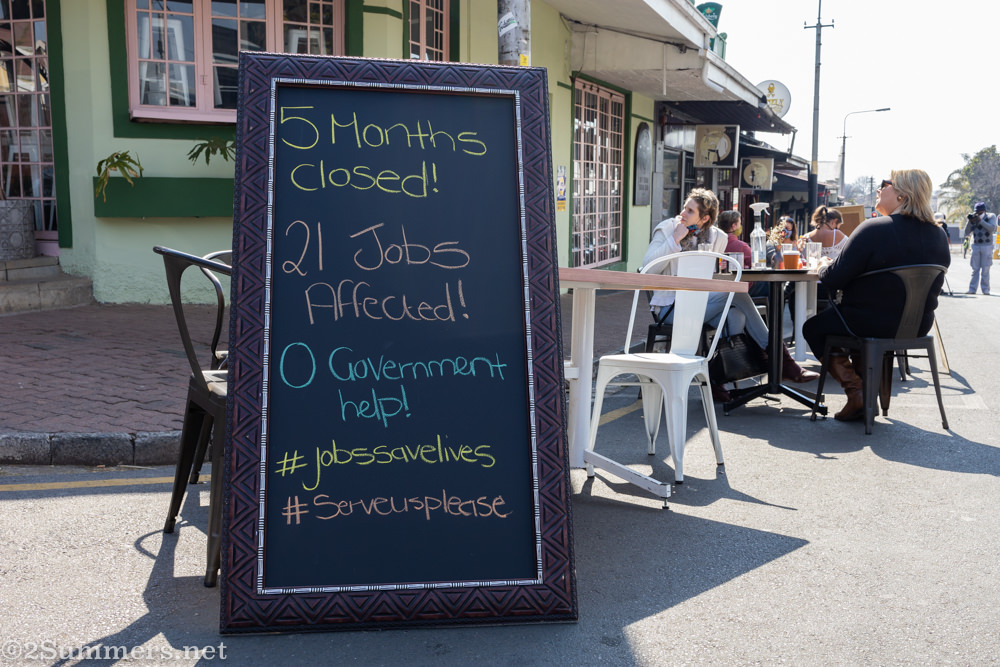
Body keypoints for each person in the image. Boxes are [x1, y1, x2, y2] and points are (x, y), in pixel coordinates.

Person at [802, 169, 951, 421]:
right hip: (917, 325)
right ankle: (866, 398)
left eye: (886, 184)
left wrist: (822, 265)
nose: (880, 189)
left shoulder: (873, 229)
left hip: (867, 322)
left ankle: (857, 391)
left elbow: (833, 279)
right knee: (860, 324)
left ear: (903, 195)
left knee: (814, 328)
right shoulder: (938, 235)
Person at [643, 188, 817, 402]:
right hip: (671, 308)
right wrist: (674, 240)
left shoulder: (718, 237)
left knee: (737, 316)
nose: (683, 214)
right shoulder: (668, 229)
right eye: (685, 208)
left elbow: (713, 275)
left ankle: (717, 379)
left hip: (703, 303)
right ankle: (782, 361)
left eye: (690, 211)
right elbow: (647, 269)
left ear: (705, 218)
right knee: (736, 293)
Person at [963, 201, 997, 295]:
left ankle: (985, 290)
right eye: (977, 212)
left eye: (980, 212)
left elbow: (992, 228)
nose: (978, 213)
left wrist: (980, 221)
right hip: (976, 245)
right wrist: (970, 222)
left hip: (987, 245)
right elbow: (966, 232)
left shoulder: (990, 216)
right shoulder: (974, 218)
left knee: (985, 269)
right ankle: (972, 289)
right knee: (975, 269)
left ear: (984, 210)